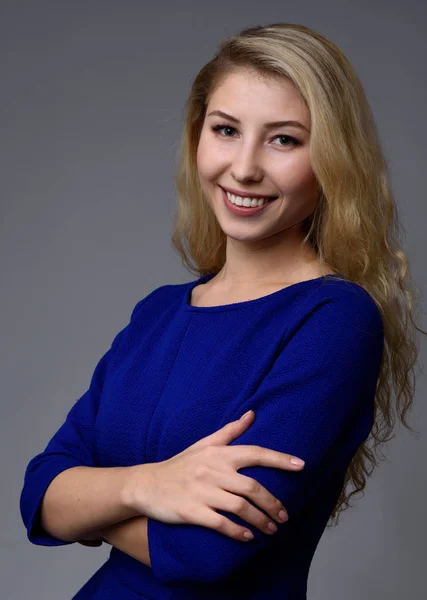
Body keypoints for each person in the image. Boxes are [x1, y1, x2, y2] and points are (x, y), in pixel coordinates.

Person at [20, 22, 425, 599]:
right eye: (227, 130)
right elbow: (38, 490)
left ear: (333, 159)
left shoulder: (334, 320)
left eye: (284, 139)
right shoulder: (158, 313)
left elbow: (206, 551)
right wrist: (147, 486)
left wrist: (87, 504)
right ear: (197, 137)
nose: (244, 168)